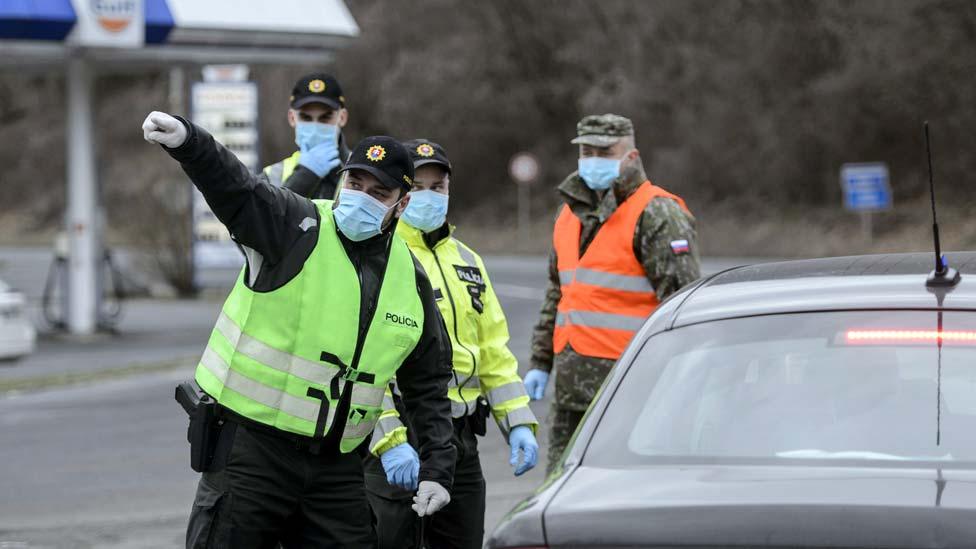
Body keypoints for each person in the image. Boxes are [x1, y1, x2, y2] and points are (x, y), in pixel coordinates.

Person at [142, 111, 456, 548]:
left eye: (378, 192)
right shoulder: (295, 225)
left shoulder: (410, 278)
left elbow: (428, 384)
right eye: (354, 184)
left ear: (401, 205)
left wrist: (439, 469)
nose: (361, 198)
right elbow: (237, 188)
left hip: (337, 470)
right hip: (252, 455)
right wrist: (189, 141)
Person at [525, 114, 701, 474]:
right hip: (571, 390)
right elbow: (558, 294)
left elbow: (683, 308)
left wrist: (678, 387)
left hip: (633, 388)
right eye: (587, 151)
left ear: (631, 156)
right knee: (561, 488)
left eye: (605, 151)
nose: (593, 159)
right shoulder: (569, 214)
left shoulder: (658, 213)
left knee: (624, 491)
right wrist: (541, 361)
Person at [263, 73, 351, 198]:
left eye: (325, 117)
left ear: (342, 117)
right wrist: (304, 177)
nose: (315, 126)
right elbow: (263, 216)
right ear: (292, 118)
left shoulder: (363, 170)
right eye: (306, 117)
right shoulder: (271, 176)